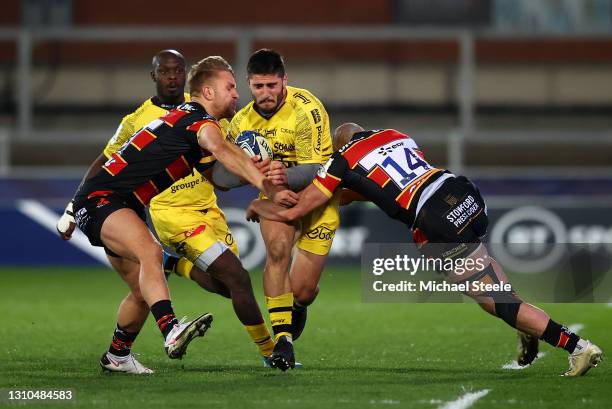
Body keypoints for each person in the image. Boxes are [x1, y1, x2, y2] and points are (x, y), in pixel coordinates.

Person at [247, 123, 603, 377]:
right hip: (462, 192)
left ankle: (576, 347)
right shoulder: (394, 134)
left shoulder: (341, 161)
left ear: (339, 146)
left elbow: (297, 209)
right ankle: (527, 325)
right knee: (490, 284)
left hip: (435, 219)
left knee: (498, 302)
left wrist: (260, 205)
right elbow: (380, 185)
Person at [58, 55, 295, 373]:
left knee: (143, 291)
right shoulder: (199, 122)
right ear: (208, 93)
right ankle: (170, 330)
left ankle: (117, 355)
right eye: (230, 87)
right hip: (102, 199)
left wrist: (252, 171)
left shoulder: (186, 121)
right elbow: (223, 150)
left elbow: (217, 178)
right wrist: (268, 184)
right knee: (150, 252)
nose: (237, 95)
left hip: (120, 204)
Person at [227, 49, 340, 370]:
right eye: (259, 86)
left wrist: (281, 175)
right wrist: (248, 171)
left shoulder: (307, 109)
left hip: (317, 199)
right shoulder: (240, 122)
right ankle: (283, 341)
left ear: (284, 81)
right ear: (249, 84)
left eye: (272, 86)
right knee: (277, 250)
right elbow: (223, 177)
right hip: (275, 198)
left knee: (302, 291)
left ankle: (299, 305)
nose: (265, 94)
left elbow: (317, 168)